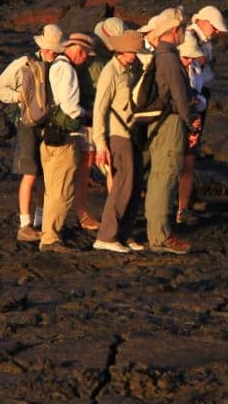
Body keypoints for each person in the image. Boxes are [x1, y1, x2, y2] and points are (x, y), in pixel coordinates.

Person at [0, 24, 61, 243]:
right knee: (30, 174)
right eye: (50, 48)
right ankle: (25, 224)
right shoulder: (23, 63)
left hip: (50, 125)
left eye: (55, 48)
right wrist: (19, 98)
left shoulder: (59, 65)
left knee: (46, 176)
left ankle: (39, 222)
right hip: (28, 124)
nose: (52, 52)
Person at [139, 7, 195, 254]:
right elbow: (179, 95)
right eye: (181, 29)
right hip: (170, 122)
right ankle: (160, 236)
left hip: (159, 121)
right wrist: (189, 122)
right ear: (174, 30)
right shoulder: (169, 57)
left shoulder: (160, 56)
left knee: (158, 177)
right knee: (166, 176)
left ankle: (156, 233)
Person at [91, 30, 148, 254]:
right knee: (122, 186)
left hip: (131, 134)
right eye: (132, 51)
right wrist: (100, 143)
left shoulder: (129, 70)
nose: (134, 55)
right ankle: (106, 236)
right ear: (121, 50)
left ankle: (125, 233)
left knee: (134, 187)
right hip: (118, 136)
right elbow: (100, 109)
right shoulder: (110, 72)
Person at [36, 27, 87, 253]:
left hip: (48, 135)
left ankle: (49, 232)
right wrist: (84, 114)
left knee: (52, 188)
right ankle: (50, 237)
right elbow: (70, 107)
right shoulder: (65, 70)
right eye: (85, 53)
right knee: (62, 191)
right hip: (64, 138)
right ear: (74, 50)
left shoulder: (50, 68)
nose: (85, 58)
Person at [177, 6, 228, 221]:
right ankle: (181, 206)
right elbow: (191, 72)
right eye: (215, 27)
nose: (216, 32)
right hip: (191, 100)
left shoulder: (201, 40)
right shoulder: (188, 40)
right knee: (186, 153)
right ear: (202, 21)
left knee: (187, 153)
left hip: (197, 98)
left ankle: (183, 202)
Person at [66, 33, 103, 232]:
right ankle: (81, 213)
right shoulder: (93, 67)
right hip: (85, 121)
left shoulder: (67, 65)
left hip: (77, 121)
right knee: (84, 166)